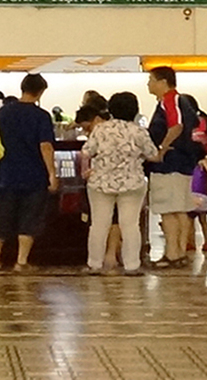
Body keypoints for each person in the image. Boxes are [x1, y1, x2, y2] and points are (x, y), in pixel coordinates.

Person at [79, 92, 154, 276]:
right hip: (132, 183)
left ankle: (94, 264)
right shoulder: (139, 131)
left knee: (98, 224)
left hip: (101, 182)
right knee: (130, 225)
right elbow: (153, 154)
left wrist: (85, 172)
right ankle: (132, 265)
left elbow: (86, 152)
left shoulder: (101, 129)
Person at [0, 74, 56, 272]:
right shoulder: (41, 116)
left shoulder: (4, 112)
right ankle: (21, 262)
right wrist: (51, 173)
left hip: (7, 174)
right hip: (34, 176)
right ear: (41, 92)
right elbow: (46, 146)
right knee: (30, 220)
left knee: (1, 218)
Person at [143, 66, 203, 265]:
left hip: (170, 164)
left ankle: (172, 253)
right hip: (183, 162)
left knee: (168, 209)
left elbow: (176, 126)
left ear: (163, 82)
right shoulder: (182, 101)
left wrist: (161, 149)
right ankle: (179, 252)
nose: (148, 84)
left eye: (151, 80)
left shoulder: (171, 100)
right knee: (180, 209)